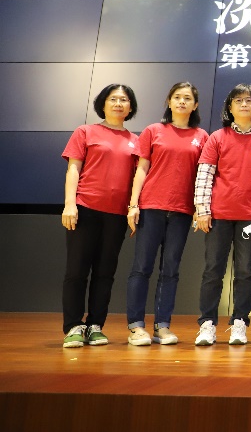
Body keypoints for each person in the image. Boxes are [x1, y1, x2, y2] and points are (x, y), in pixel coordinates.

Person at [126, 82, 208, 346]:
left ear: (195, 105)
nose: (182, 102)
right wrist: (133, 204)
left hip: (182, 211)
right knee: (142, 267)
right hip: (151, 207)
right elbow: (141, 169)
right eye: (177, 97)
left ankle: (162, 326)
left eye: (188, 98)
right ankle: (136, 327)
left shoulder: (202, 137)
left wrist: (199, 209)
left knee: (170, 270)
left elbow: (203, 177)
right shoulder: (153, 131)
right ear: (169, 102)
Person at [193, 84, 251, 346]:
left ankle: (240, 322)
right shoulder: (217, 137)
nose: (244, 104)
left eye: (249, 100)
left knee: (245, 271)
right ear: (229, 107)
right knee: (212, 270)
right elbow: (204, 175)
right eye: (238, 100)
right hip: (218, 215)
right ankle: (207, 324)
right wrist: (202, 210)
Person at [61, 84, 139, 347]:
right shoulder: (85, 132)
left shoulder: (136, 141)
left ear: (130, 107)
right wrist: (70, 204)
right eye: (113, 99)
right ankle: (73, 326)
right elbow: (73, 169)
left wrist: (133, 208)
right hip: (85, 209)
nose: (118, 103)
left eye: (124, 100)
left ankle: (95, 325)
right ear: (103, 103)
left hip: (116, 215)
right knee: (76, 271)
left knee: (105, 272)